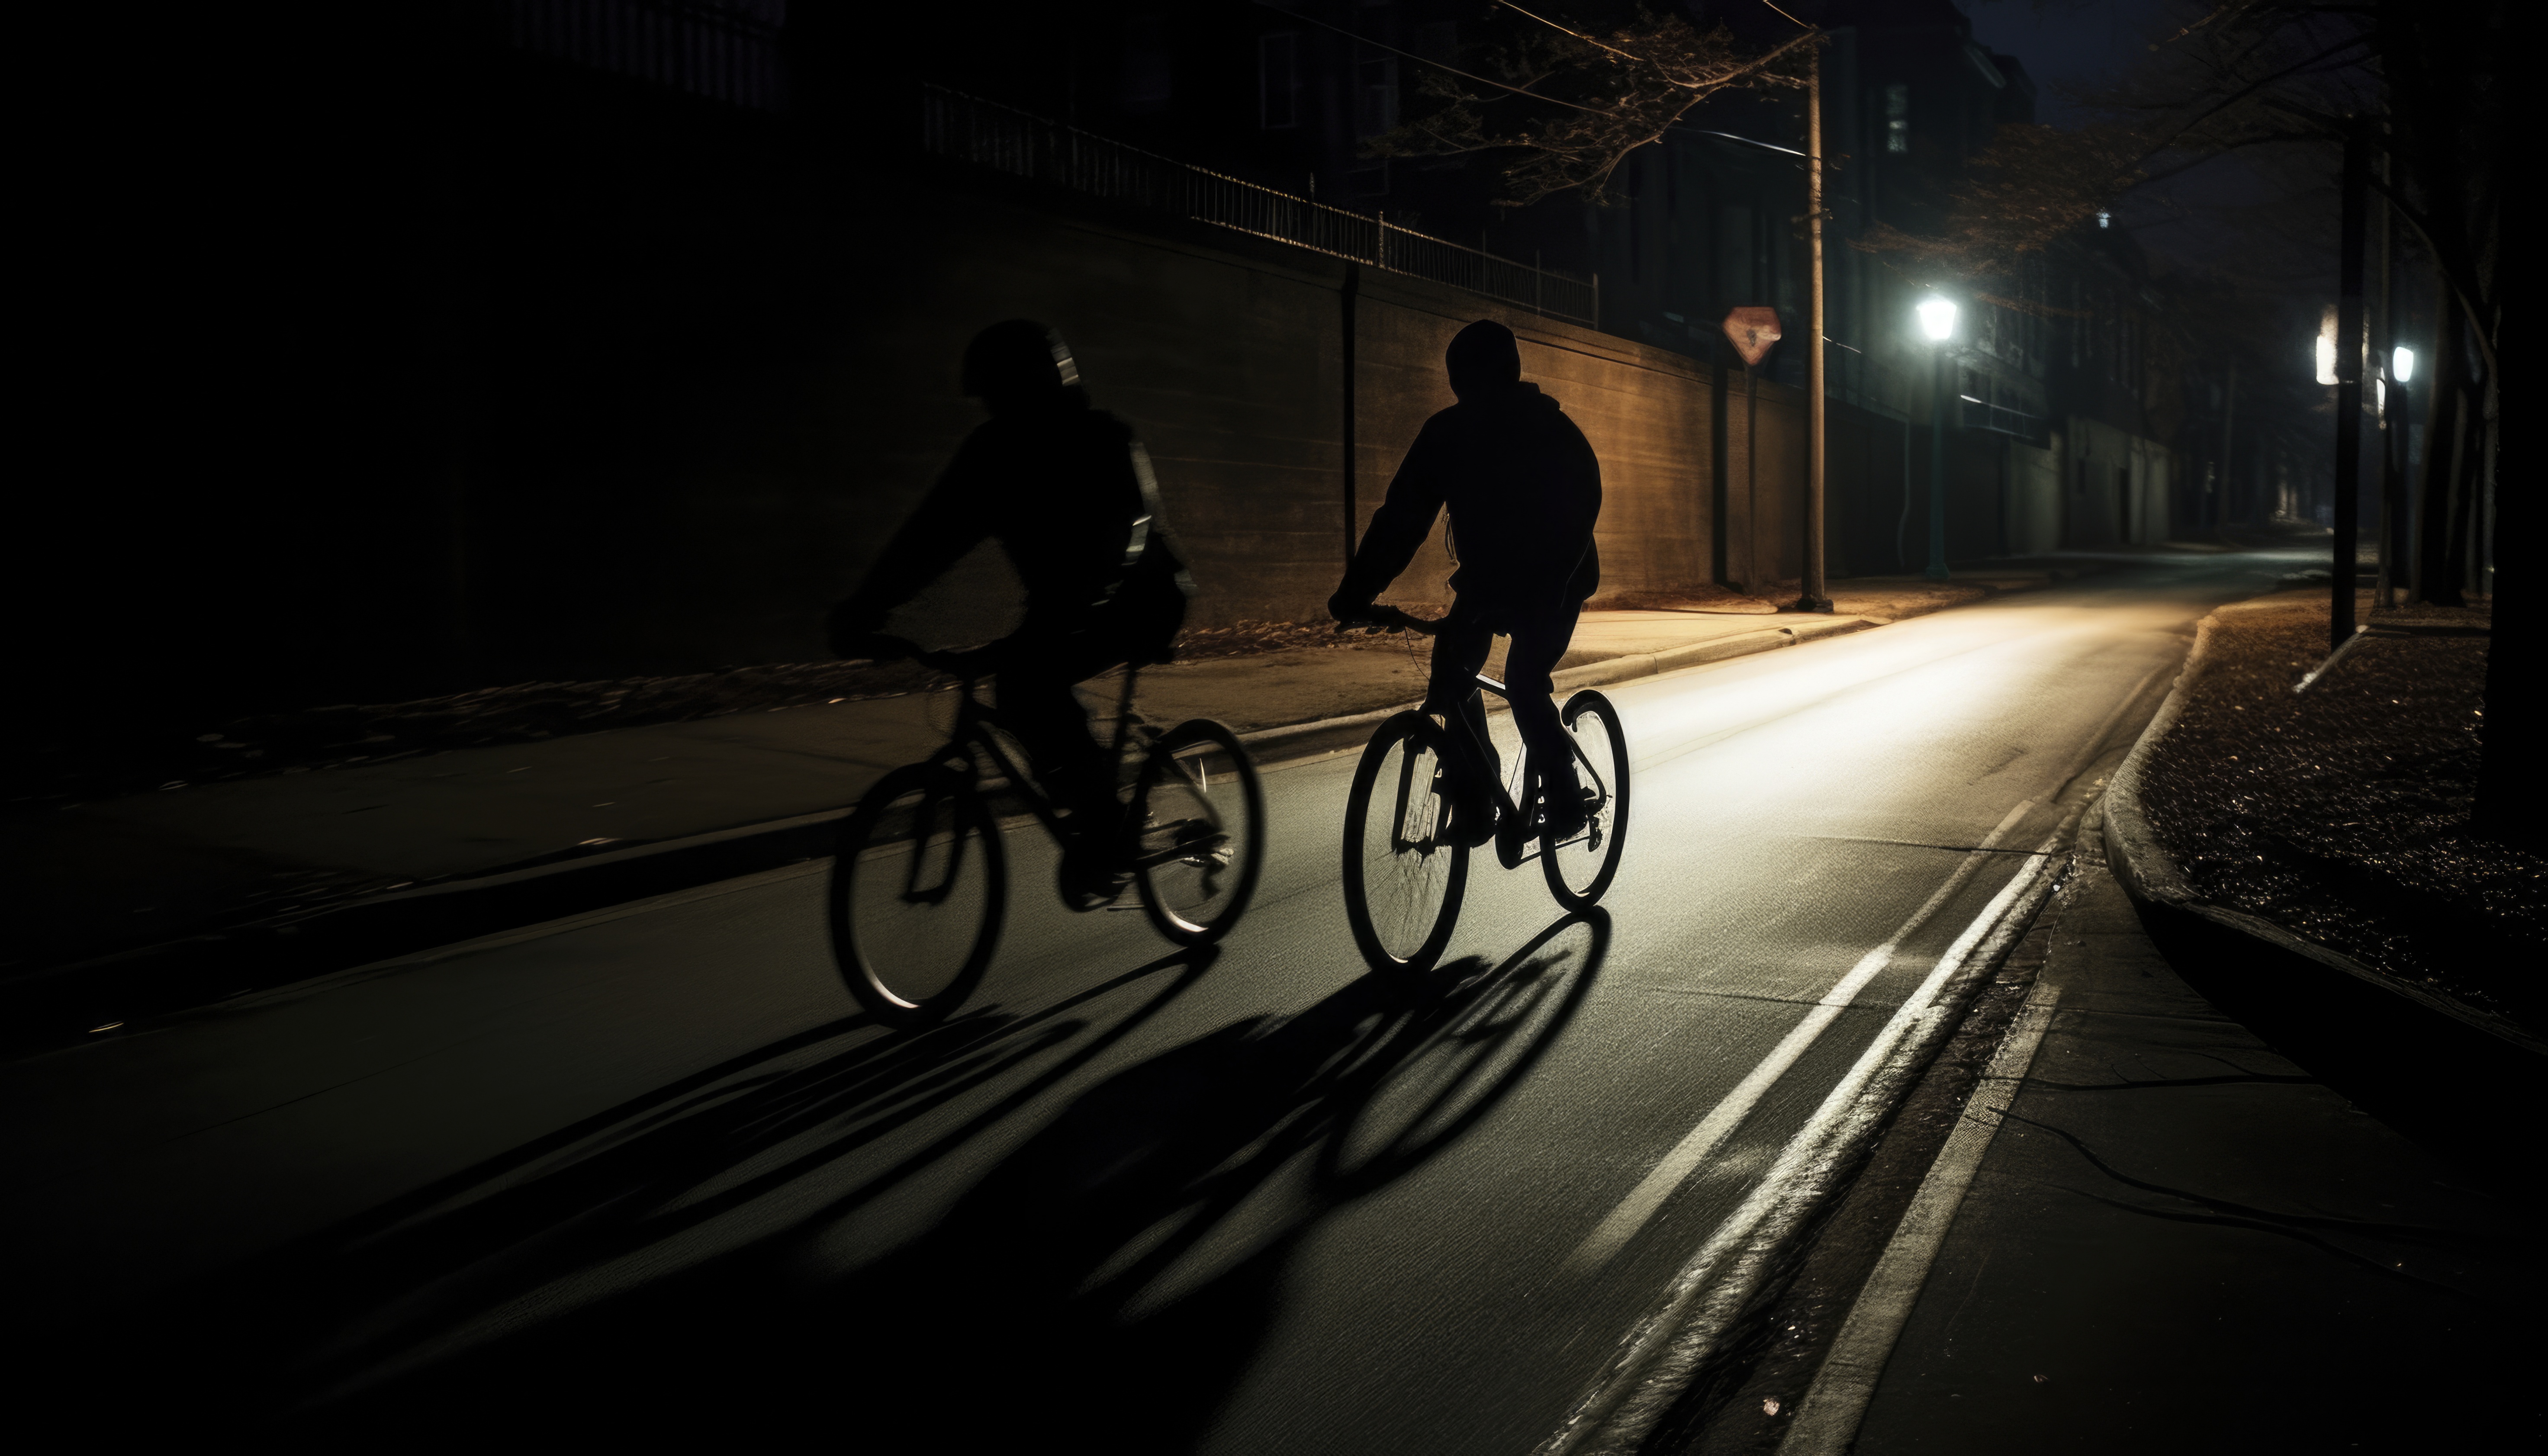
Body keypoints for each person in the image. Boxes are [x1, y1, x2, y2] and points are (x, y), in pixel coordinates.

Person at [828, 320, 1194, 904]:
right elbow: (928, 540)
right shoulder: (992, 454)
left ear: (1039, 385)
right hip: (1061, 606)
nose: (995, 408)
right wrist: (866, 609)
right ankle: (1089, 790)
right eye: (988, 398)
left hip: (1142, 597)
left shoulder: (1103, 439)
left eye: (1003, 394)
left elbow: (1130, 524)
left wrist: (1085, 597)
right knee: (1026, 685)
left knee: (1028, 685)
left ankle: (1105, 822)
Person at [1329, 319, 1602, 843]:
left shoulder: (1548, 431)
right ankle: (1477, 797)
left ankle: (1565, 795)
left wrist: (1541, 591)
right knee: (1451, 671)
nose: (1468, 392)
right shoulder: (1448, 435)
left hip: (1557, 576)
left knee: (1524, 680)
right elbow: (1401, 520)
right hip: (1489, 579)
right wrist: (1355, 594)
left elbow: (1578, 510)